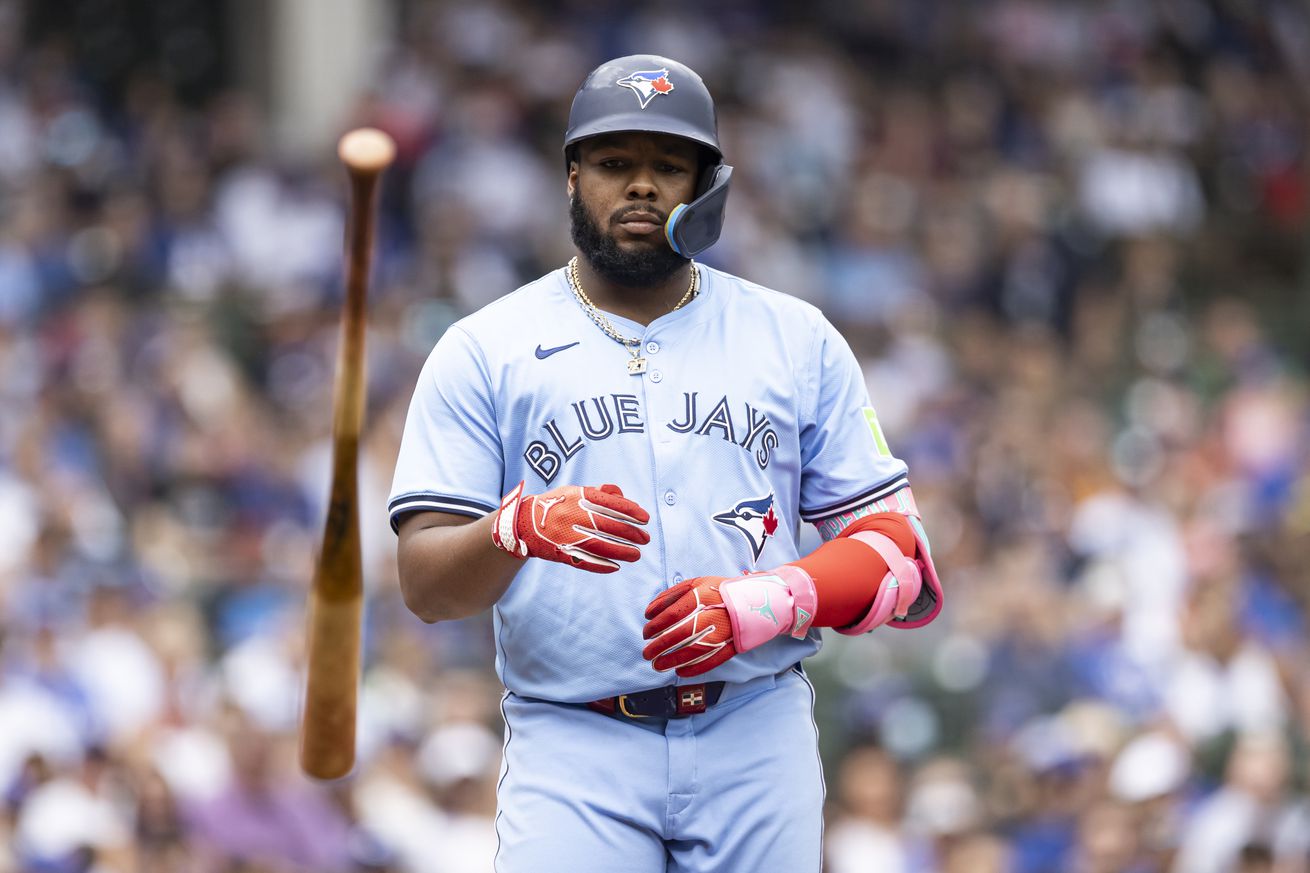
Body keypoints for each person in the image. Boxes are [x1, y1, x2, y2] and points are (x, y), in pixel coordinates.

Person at [389, 54, 943, 872]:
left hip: (754, 728)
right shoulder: (485, 348)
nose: (641, 187)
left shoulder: (794, 337)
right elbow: (425, 585)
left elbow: (902, 559)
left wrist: (769, 599)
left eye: (667, 166)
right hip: (574, 738)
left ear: (706, 185)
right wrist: (514, 529)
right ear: (573, 176)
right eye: (615, 164)